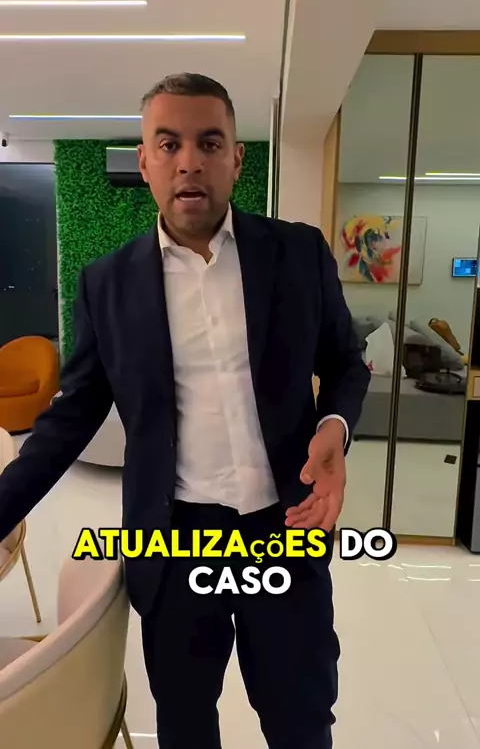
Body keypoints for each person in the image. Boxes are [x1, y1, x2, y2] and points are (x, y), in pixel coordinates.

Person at [0, 73, 370, 748]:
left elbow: (347, 362)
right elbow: (70, 419)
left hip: (284, 531)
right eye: (168, 144)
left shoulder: (297, 255)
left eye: (209, 142)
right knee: (185, 724)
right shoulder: (108, 284)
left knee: (300, 719)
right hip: (173, 545)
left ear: (237, 158)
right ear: (144, 162)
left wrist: (334, 427)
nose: (189, 161)